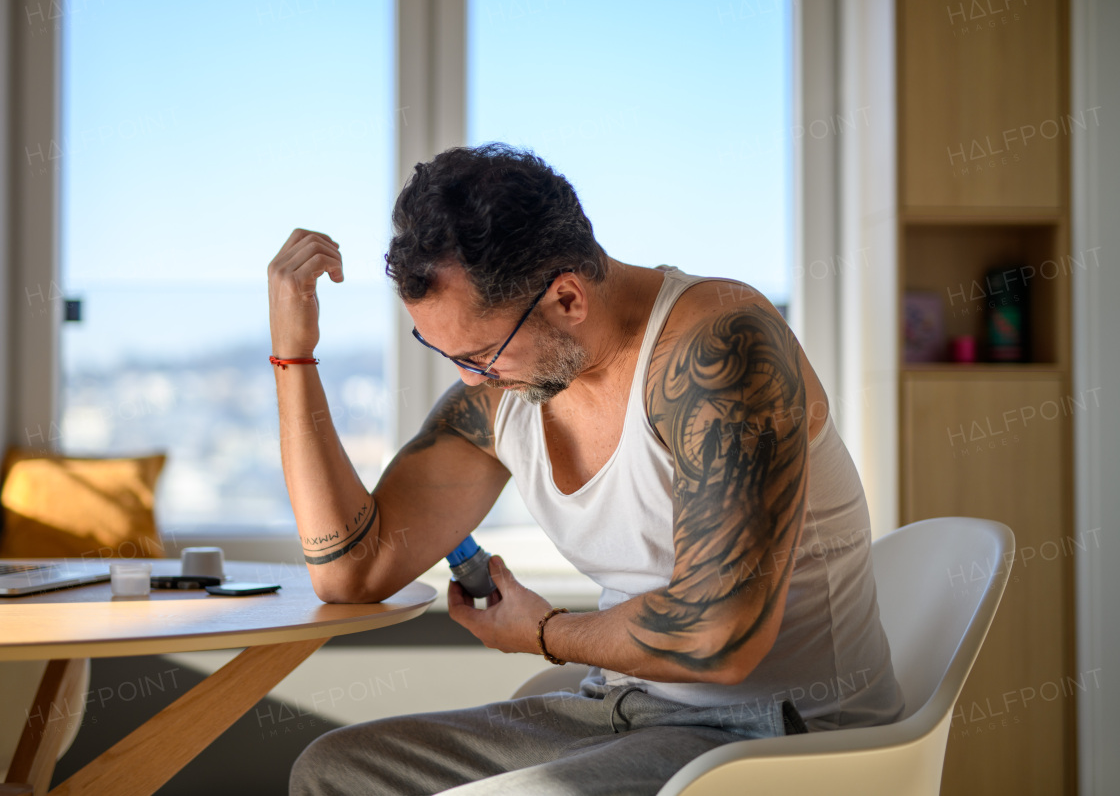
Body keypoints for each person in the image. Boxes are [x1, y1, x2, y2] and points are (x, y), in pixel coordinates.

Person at [268, 143, 905, 796]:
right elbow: (350, 569)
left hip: (784, 739)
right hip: (625, 711)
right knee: (335, 772)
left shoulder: (719, 348)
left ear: (567, 297)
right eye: (441, 348)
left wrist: (546, 632)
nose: (467, 377)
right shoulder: (502, 396)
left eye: (482, 352)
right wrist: (294, 357)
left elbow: (719, 635)